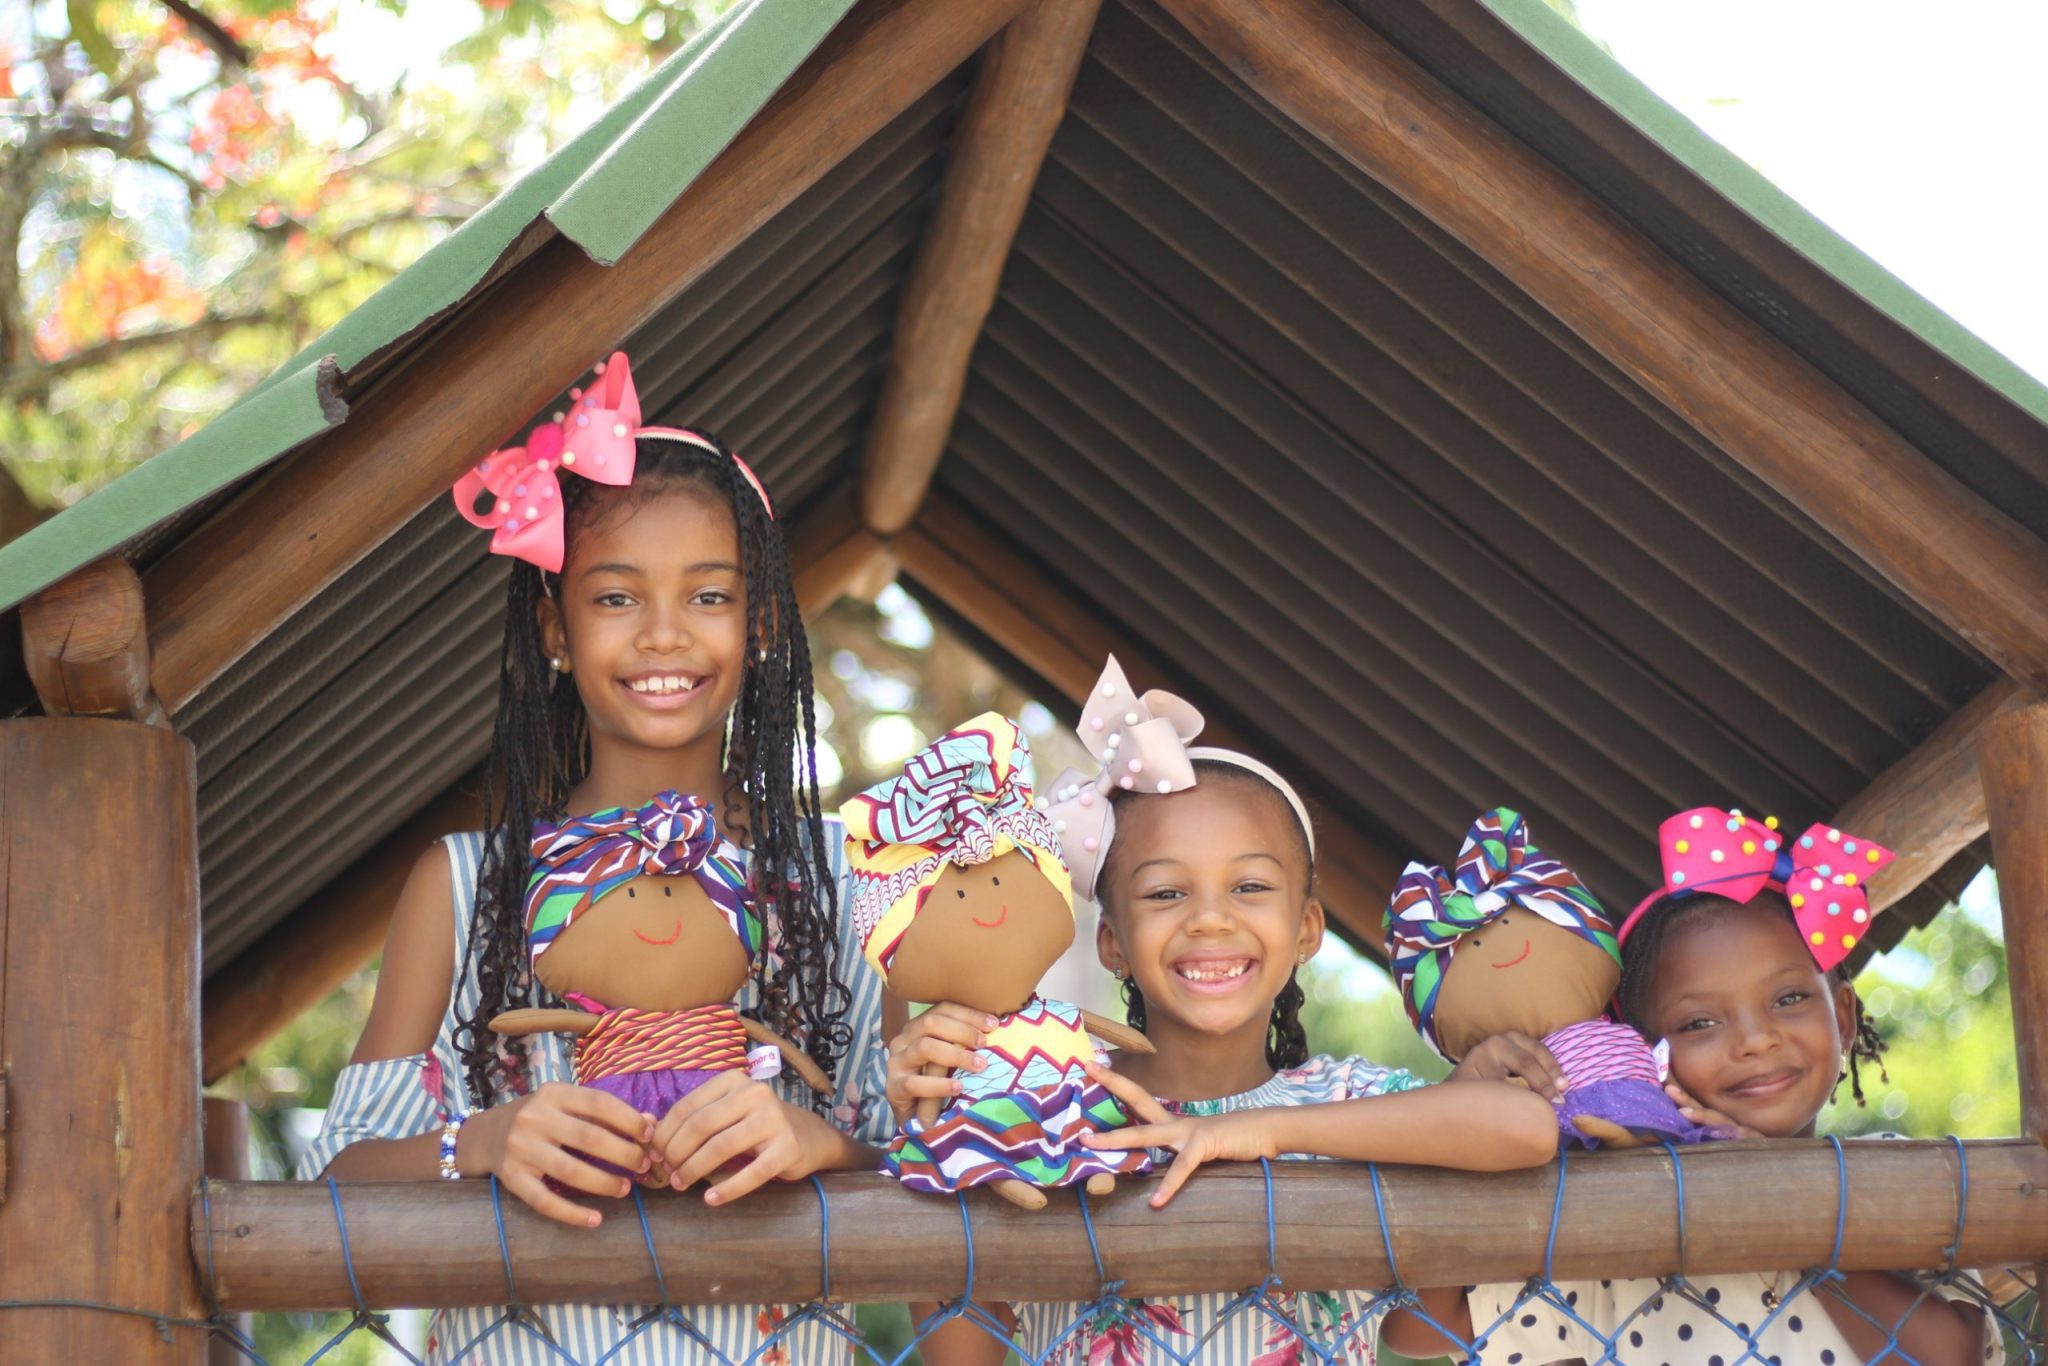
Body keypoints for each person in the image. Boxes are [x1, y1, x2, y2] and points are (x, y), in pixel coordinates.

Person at [298, 352, 886, 1363]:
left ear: (762, 623)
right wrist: (478, 1143)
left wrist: (823, 1141)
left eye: (709, 597)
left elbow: (935, 1158)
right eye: (615, 598)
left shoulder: (851, 879)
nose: (664, 636)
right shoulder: (463, 884)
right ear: (553, 627)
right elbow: (338, 1184)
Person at [891, 665, 1556, 1365]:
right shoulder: (1056, 1112)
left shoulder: (1351, 1107)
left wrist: (1255, 1133)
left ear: (1307, 931)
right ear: (1112, 943)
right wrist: (931, 1132)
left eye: (1249, 885)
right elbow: (962, 1355)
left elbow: (1525, 1129)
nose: (1210, 918)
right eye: (1165, 893)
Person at [1381, 806, 2003, 1366]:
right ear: (1641, 1055)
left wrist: (1780, 1198)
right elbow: (1421, 1328)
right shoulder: (1615, 1215)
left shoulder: (1896, 1177)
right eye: (1699, 1022)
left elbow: (1947, 1355)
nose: (1756, 1040)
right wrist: (1467, 1111)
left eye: (1788, 998)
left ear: (1842, 1017)